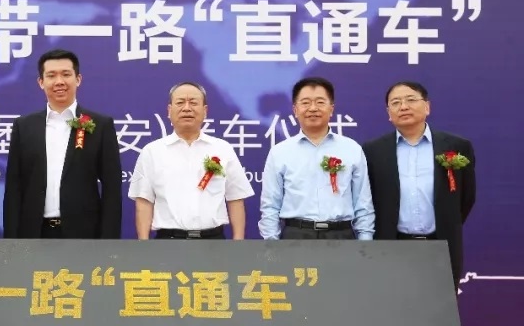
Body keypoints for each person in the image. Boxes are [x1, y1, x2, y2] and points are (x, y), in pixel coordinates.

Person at [362, 81, 476, 288]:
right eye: (396, 102)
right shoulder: (373, 151)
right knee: (392, 303)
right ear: (389, 113)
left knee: (439, 305)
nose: (403, 106)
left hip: (441, 245)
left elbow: (466, 197)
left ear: (427, 107)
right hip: (391, 246)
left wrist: (446, 222)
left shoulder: (456, 146)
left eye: (411, 100)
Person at [3, 48, 122, 239]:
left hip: (84, 236)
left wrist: (109, 241)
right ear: (41, 82)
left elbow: (112, 189)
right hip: (33, 234)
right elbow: (14, 188)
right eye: (51, 75)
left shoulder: (101, 125)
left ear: (78, 79)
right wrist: (11, 240)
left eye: (66, 74)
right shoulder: (24, 126)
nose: (59, 81)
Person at [129, 82, 253, 240]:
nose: (187, 108)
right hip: (168, 242)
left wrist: (238, 242)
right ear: (169, 110)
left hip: (213, 242)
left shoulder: (223, 149)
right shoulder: (152, 151)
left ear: (205, 111)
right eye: (180, 102)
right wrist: (144, 244)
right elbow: (144, 201)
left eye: (193, 103)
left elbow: (235, 198)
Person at [259, 76, 374, 240]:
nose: (313, 108)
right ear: (295, 110)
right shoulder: (280, 152)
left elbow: (363, 203)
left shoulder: (352, 149)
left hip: (341, 235)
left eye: (320, 102)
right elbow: (270, 205)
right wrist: (272, 244)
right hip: (296, 236)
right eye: (305, 103)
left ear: (331, 109)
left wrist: (365, 242)